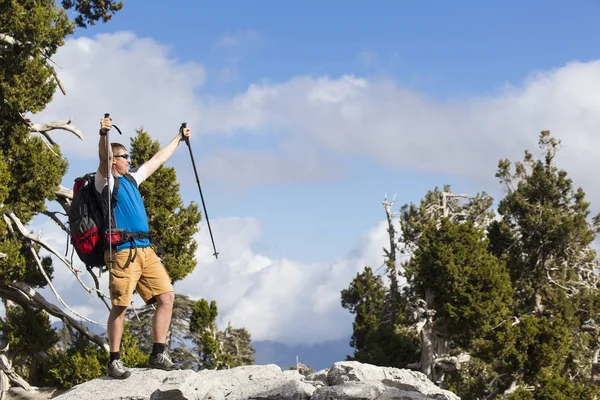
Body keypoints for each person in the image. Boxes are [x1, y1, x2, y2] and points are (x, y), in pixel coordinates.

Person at [96, 116, 191, 379]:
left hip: (145, 250)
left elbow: (158, 159)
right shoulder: (106, 182)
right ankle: (114, 361)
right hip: (123, 252)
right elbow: (103, 160)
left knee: (167, 297)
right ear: (115, 160)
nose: (130, 160)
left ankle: (158, 354)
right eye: (125, 156)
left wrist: (179, 139)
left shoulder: (132, 179)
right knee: (121, 305)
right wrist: (103, 134)